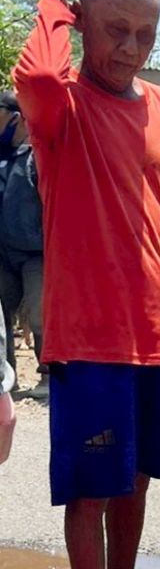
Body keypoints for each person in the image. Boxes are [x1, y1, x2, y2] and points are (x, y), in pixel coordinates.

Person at [13, 0, 160, 569]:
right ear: (83, 23)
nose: (131, 47)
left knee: (135, 480)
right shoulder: (60, 109)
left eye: (145, 33)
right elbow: (34, 69)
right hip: (87, 336)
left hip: (154, 333)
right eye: (114, 29)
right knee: (89, 489)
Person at [0, 92, 46, 398]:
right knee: (2, 320)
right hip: (3, 254)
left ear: (15, 117)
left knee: (41, 317)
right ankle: (7, 382)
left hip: (35, 254)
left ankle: (49, 378)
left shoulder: (37, 156)